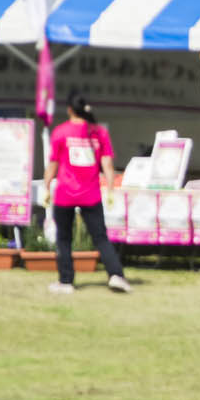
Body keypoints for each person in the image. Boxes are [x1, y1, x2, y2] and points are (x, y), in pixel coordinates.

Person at [42, 93, 131, 295]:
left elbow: (53, 165)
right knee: (100, 237)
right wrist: (110, 189)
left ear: (70, 110)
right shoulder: (99, 133)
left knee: (64, 238)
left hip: (65, 193)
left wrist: (47, 188)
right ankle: (116, 275)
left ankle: (66, 281)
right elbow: (107, 165)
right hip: (91, 194)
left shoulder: (60, 132)